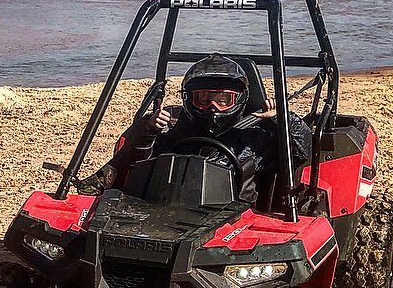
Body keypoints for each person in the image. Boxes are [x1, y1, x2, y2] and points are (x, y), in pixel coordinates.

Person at [81, 54, 312, 205]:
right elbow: (137, 160)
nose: (212, 108)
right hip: (165, 208)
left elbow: (301, 152)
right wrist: (148, 130)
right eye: (203, 99)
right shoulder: (176, 129)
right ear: (188, 100)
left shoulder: (254, 137)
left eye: (223, 100)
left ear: (239, 100)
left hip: (234, 220)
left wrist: (282, 118)